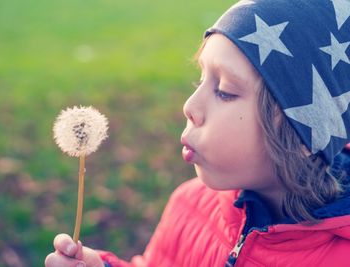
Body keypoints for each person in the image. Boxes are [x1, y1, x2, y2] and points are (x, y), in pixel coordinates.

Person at [45, 0, 350, 266]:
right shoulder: (190, 205)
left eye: (225, 91)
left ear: (304, 132)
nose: (189, 106)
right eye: (200, 80)